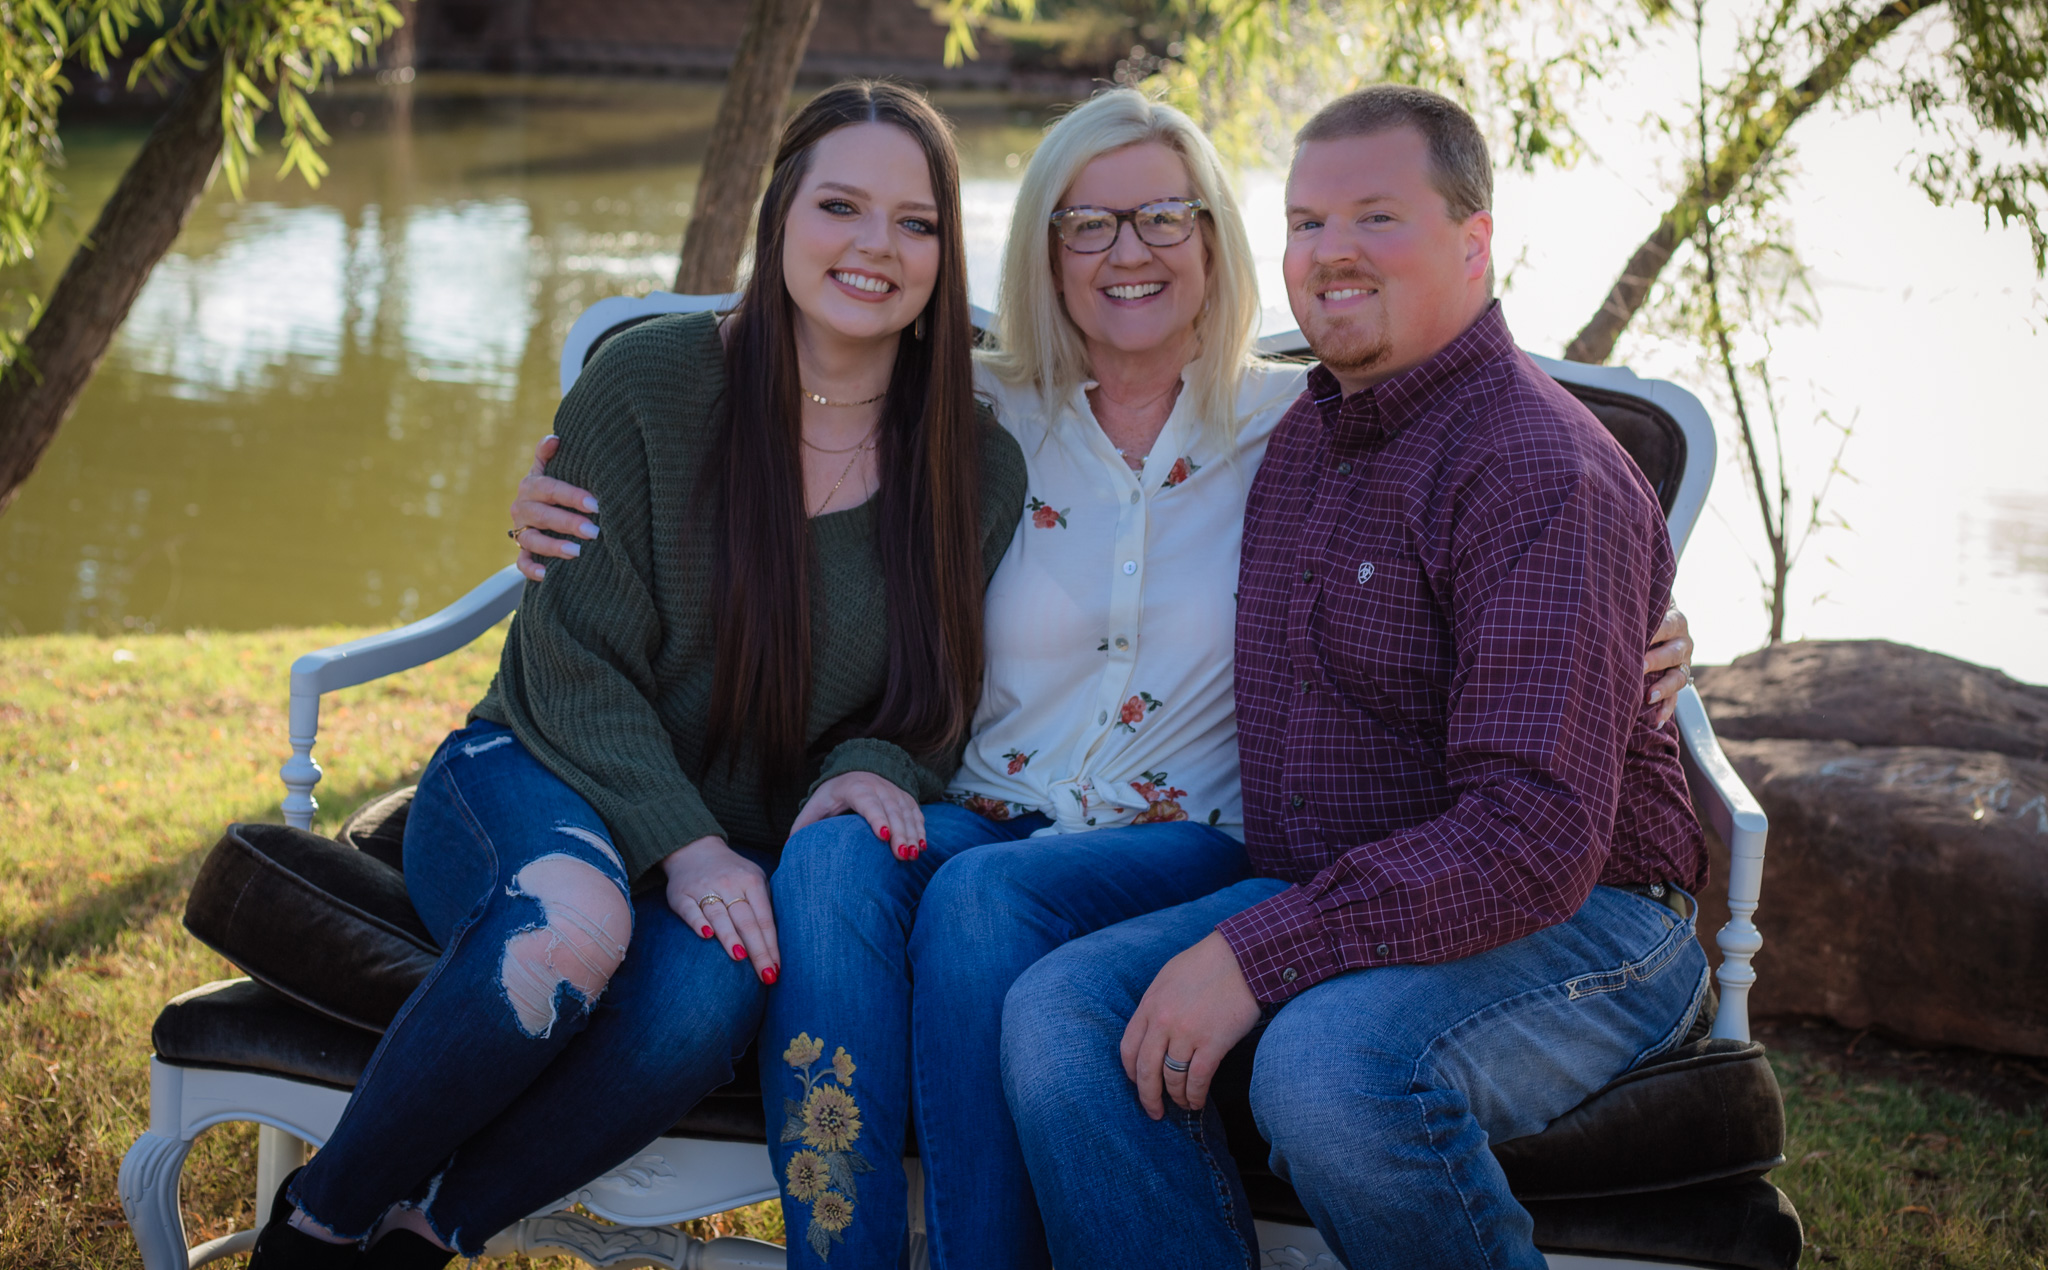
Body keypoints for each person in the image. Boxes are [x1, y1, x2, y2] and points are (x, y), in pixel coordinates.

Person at [510, 89, 1697, 1269]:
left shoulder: (1293, 424)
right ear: (1045, 248)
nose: (1126, 251)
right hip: (1000, 806)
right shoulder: (969, 414)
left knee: (990, 909)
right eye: (1086, 223)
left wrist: (1641, 613)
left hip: (1197, 839)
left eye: (1163, 217)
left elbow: (1535, 595)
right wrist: (564, 495)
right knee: (836, 860)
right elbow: (779, 402)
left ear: (1213, 239)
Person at [248, 81, 1026, 1270]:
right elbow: (572, 658)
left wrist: (870, 764)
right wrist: (690, 844)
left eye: (915, 222)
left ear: (945, 251)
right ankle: (316, 1225)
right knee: (571, 924)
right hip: (537, 771)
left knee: (720, 987)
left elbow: (932, 697)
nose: (876, 245)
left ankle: (422, 1235)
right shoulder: (649, 381)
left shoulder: (970, 464)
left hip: (734, 854)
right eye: (839, 206)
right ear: (777, 215)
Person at [999, 84, 1712, 1270]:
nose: (1329, 252)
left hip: (1589, 918)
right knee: (1060, 1009)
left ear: (1473, 242)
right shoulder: (1302, 435)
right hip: (1347, 890)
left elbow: (1534, 836)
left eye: (1375, 217)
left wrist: (1254, 955)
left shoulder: (1540, 469)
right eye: (1305, 222)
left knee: (1329, 1066)